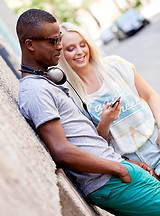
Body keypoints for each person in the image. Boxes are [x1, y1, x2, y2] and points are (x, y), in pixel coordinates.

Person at [17, 8, 160, 216]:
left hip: (127, 165)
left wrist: (125, 166)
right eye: (54, 42)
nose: (59, 47)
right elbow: (62, 150)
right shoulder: (37, 90)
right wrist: (120, 167)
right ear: (30, 44)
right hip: (114, 175)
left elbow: (86, 140)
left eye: (60, 41)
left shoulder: (49, 85)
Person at [59, 22, 160, 178]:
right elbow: (96, 143)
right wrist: (105, 121)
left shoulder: (115, 65)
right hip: (134, 165)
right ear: (61, 54)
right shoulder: (70, 96)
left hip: (156, 142)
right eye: (70, 49)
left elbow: (151, 96)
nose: (79, 52)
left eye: (82, 45)